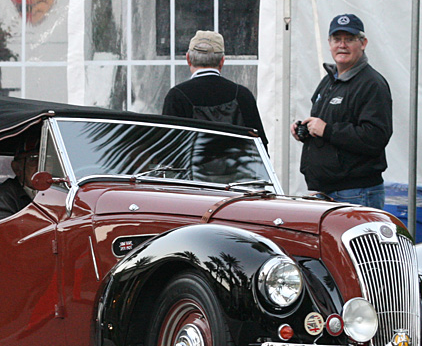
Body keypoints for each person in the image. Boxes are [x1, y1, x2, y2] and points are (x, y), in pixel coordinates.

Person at [291, 14, 392, 208]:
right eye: (337, 39)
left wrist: (327, 130)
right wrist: (305, 131)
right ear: (329, 43)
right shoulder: (329, 81)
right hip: (325, 191)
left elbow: (376, 137)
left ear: (363, 43)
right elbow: (327, 128)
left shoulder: (372, 84)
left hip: (356, 194)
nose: (342, 45)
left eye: (349, 39)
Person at [162, 30, 267, 145]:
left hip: (194, 163)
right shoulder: (242, 95)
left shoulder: (176, 96)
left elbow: (168, 148)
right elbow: (260, 146)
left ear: (188, 59)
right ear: (222, 61)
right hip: (234, 163)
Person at [0, 137, 38, 223]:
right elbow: (4, 233)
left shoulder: (58, 193)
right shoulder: (2, 199)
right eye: (33, 159)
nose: (41, 168)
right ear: (17, 168)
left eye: (48, 160)